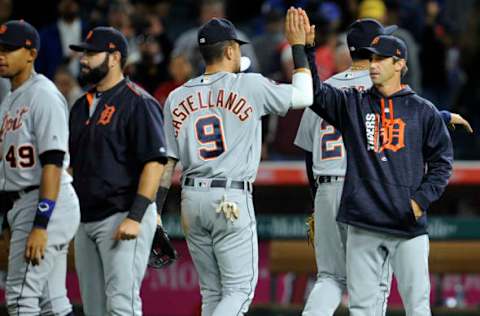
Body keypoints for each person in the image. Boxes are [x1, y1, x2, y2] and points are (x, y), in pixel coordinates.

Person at [295, 16, 472, 316]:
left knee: (409, 304)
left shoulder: (416, 108)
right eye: (373, 56)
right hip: (363, 208)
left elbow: (439, 160)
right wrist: (305, 50)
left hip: (387, 212)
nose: (375, 63)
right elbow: (317, 96)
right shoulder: (356, 101)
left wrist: (419, 201)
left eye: (382, 58)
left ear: (398, 64)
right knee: (368, 301)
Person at [158, 12, 313, 315]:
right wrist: (298, 48)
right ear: (230, 50)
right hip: (229, 200)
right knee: (239, 291)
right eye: (238, 47)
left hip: (191, 200)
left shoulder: (176, 97)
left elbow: (167, 162)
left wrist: (156, 210)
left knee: (212, 294)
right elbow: (305, 95)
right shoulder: (249, 85)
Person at [68, 26, 167, 315]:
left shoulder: (137, 101)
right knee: (94, 309)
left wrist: (136, 216)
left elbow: (155, 163)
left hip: (122, 214)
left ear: (114, 57)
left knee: (122, 306)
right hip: (86, 219)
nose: (83, 60)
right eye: (82, 54)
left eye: (91, 54)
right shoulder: (79, 106)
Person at [0, 20, 80, 315]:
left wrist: (40, 225)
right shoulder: (9, 100)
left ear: (31, 53)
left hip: (45, 202)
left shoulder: (42, 94)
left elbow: (54, 163)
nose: (1, 55)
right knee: (52, 301)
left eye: (10, 49)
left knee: (21, 298)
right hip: (25, 202)